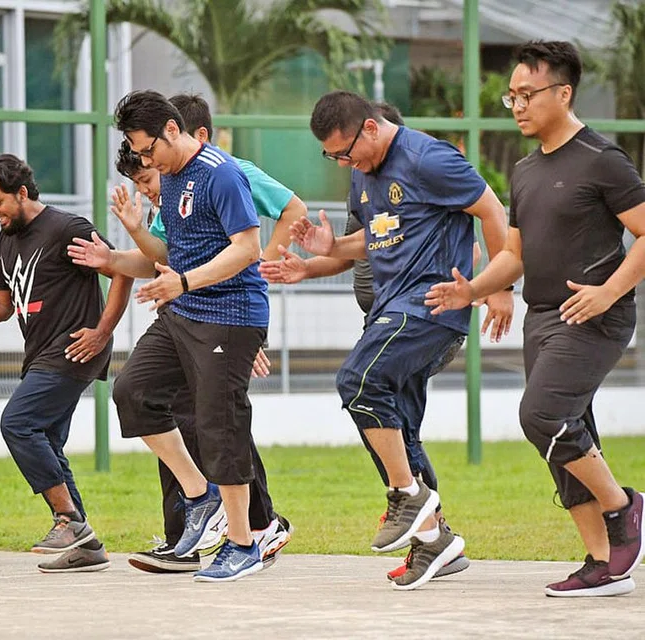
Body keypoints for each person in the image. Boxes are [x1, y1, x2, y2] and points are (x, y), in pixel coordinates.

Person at [426, 40, 645, 597]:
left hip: (594, 316)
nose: (518, 105)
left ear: (563, 93)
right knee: (568, 434)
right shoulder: (524, 170)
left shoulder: (602, 159)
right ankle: (604, 564)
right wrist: (471, 289)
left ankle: (625, 506)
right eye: (512, 96)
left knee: (543, 416)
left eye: (528, 94)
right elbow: (516, 256)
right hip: (541, 316)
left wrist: (609, 290)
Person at [292, 90, 512, 590]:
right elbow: (378, 234)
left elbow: (493, 211)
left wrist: (499, 285)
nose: (344, 163)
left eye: (345, 152)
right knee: (394, 429)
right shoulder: (363, 175)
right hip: (391, 310)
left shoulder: (428, 158)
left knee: (357, 381)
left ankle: (407, 495)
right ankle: (435, 542)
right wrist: (329, 248)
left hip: (433, 306)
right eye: (332, 157)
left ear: (371, 128)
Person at [107, 97, 300, 573]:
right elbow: (171, 251)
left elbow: (248, 249)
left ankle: (243, 544)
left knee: (219, 424)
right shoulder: (170, 179)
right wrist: (136, 230)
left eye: (147, 149)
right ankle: (200, 494)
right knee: (134, 393)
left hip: (230, 314)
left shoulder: (222, 173)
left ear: (172, 129)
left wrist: (186, 281)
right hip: (183, 311)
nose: (145, 162)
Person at [0, 154, 133, 573]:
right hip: (40, 354)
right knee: (46, 438)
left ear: (23, 193)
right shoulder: (5, 241)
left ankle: (67, 520)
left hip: (74, 348)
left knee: (17, 422)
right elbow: (3, 304)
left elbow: (121, 270)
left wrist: (102, 331)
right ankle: (87, 546)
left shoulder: (67, 228)